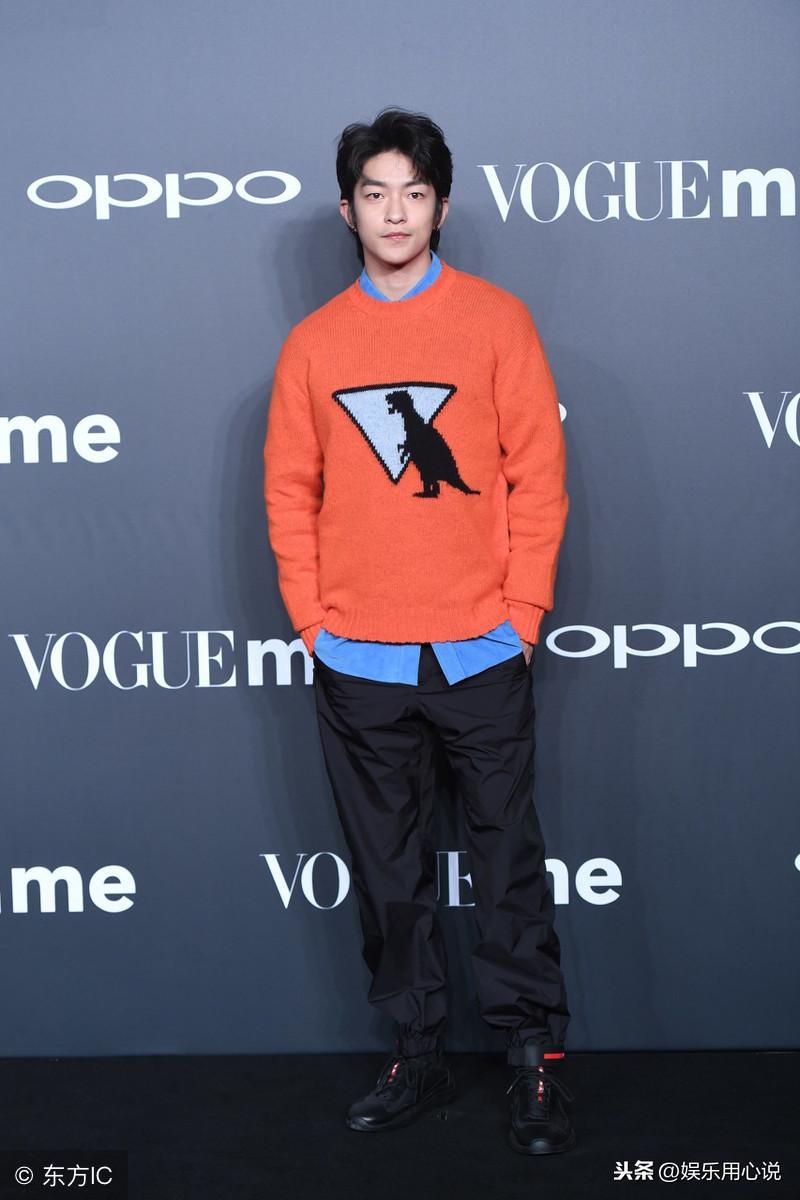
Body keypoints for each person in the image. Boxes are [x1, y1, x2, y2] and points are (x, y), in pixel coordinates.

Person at [263, 107, 574, 1155]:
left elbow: (538, 476)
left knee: (507, 862)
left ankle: (533, 1060)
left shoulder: (496, 321)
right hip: (358, 656)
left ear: (440, 207)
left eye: (413, 193)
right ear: (346, 209)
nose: (393, 212)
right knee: (388, 878)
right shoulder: (313, 346)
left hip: (480, 648)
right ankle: (416, 1054)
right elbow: (288, 491)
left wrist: (521, 614)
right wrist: (314, 621)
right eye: (374, 193)